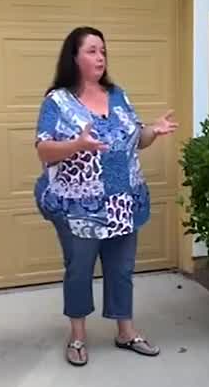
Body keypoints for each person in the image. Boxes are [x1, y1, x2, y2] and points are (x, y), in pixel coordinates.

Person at [33, 26, 179, 367]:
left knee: (122, 268)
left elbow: (136, 139)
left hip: (122, 200)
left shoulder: (117, 95)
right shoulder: (57, 101)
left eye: (103, 51)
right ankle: (78, 337)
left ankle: (125, 331)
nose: (100, 57)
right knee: (79, 269)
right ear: (74, 57)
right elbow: (43, 150)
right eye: (92, 51)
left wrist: (152, 132)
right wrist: (76, 145)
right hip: (79, 205)